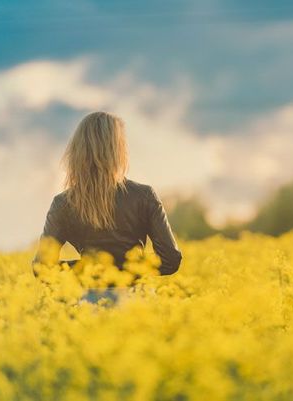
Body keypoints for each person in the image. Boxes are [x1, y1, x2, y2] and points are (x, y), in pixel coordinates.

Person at [31, 111, 182, 303]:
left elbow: (42, 268)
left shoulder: (63, 204)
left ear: (78, 150)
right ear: (118, 150)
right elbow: (170, 260)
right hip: (137, 302)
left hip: (88, 302)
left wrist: (91, 269)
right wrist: (129, 269)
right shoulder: (144, 195)